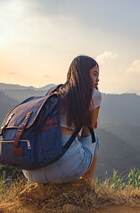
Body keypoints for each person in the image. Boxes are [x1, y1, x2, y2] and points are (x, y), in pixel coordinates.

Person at [23, 55, 101, 183]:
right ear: (83, 74)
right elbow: (89, 132)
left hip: (32, 170)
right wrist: (87, 119)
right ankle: (87, 186)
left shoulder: (53, 90)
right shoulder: (93, 94)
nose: (98, 79)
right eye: (94, 74)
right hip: (65, 170)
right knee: (94, 140)